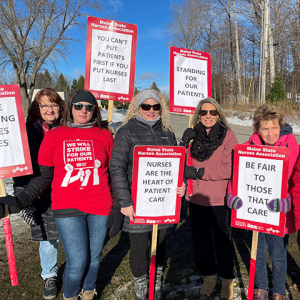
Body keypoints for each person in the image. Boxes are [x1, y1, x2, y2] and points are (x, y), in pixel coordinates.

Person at [0, 90, 114, 300]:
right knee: (78, 261)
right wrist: (21, 199)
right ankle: (70, 295)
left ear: (95, 111)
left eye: (89, 107)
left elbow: (114, 172)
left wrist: (119, 208)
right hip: (67, 207)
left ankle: (88, 290)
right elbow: (44, 177)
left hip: (100, 205)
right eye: (78, 106)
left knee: (95, 257)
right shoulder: (54, 135)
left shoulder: (105, 135)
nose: (84, 110)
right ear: (70, 107)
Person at [108, 89, 185, 300]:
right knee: (139, 246)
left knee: (160, 243)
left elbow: (177, 165)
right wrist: (124, 201)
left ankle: (157, 279)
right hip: (137, 202)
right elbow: (116, 167)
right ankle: (141, 283)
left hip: (162, 202)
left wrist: (182, 184)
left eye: (155, 106)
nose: (151, 111)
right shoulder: (127, 132)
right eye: (146, 106)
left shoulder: (167, 132)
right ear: (137, 107)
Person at [228, 104, 299, 300]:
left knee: (278, 254)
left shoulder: (292, 147)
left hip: (278, 213)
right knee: (257, 252)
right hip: (255, 212)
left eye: (274, 127)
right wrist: (232, 195)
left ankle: (278, 290)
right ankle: (261, 287)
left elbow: (297, 180)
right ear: (257, 129)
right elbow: (238, 176)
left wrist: (289, 201)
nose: (270, 133)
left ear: (281, 126)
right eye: (265, 128)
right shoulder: (248, 147)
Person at [180, 97, 237, 300]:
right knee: (201, 242)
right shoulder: (193, 135)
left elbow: (229, 168)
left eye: (213, 112)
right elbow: (183, 165)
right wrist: (183, 143)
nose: (208, 116)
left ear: (218, 114)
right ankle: (209, 276)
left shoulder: (227, 136)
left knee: (223, 241)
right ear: (198, 114)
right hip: (196, 198)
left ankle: (227, 278)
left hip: (219, 199)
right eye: (204, 112)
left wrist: (199, 172)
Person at [12, 88, 64, 300]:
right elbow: (19, 166)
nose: (49, 109)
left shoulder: (68, 130)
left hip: (66, 191)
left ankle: (74, 269)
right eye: (44, 105)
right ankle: (49, 275)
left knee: (72, 235)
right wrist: (23, 193)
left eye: (53, 104)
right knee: (48, 239)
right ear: (36, 108)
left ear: (61, 107)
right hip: (40, 192)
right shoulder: (26, 132)